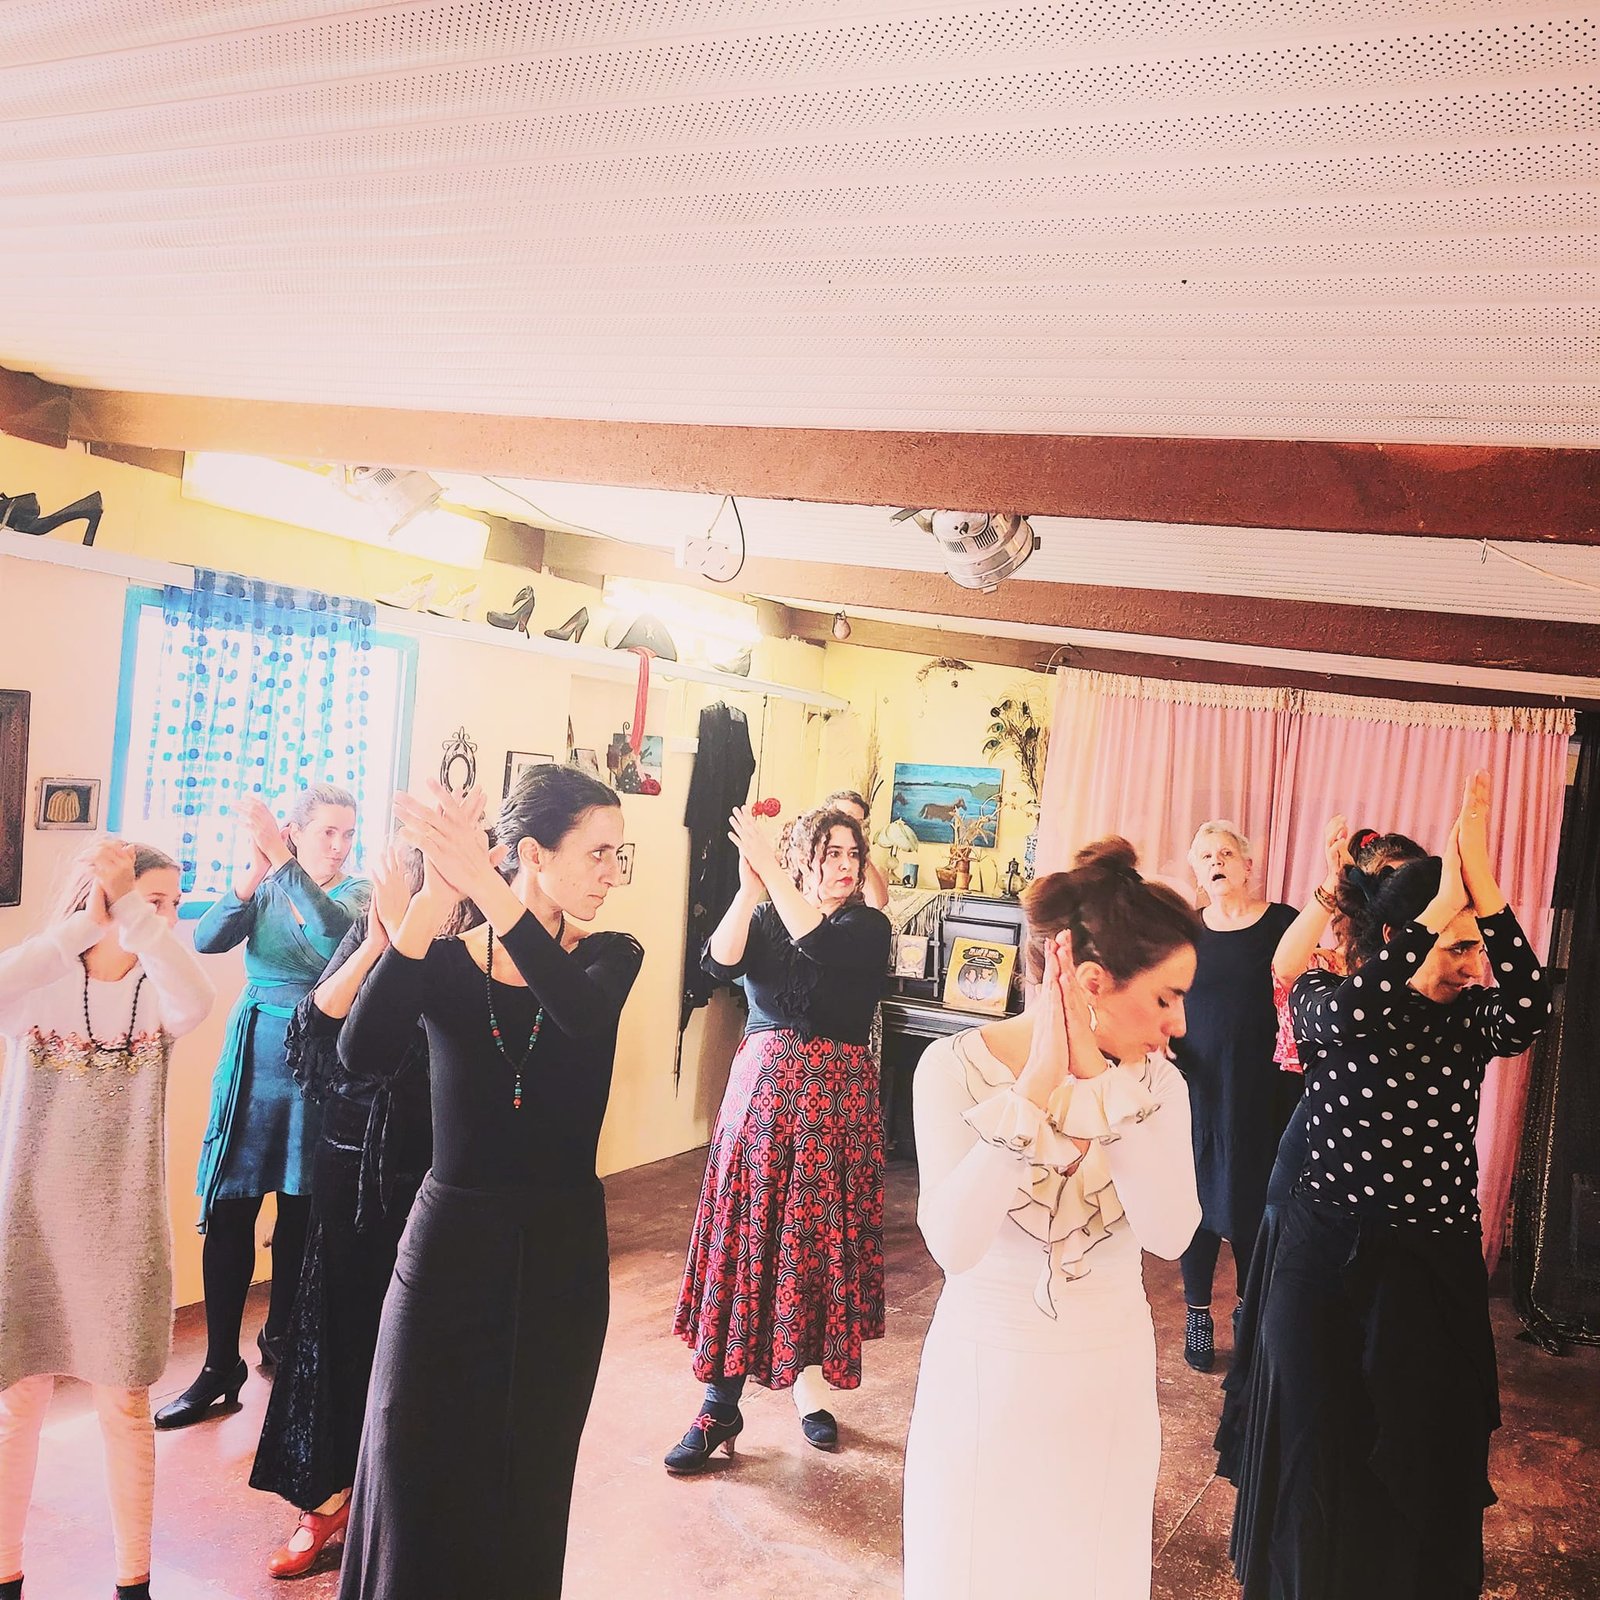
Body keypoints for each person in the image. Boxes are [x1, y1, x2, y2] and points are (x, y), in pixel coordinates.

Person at [1231, 771, 1552, 1599]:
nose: (1473, 965)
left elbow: (1530, 1010)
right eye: (1457, 946)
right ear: (1402, 937)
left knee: (1416, 1444)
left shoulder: (1469, 1018)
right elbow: (1357, 1009)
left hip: (1429, 1263)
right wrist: (1432, 912)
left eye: (1474, 947)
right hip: (1323, 1258)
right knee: (1319, 1440)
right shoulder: (1327, 1001)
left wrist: (1486, 898)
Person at [335, 769, 641, 1600]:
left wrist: (489, 888)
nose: (612, 873)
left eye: (619, 854)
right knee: (410, 1455)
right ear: (533, 854)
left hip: (560, 1254)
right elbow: (359, 1054)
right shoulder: (443, 963)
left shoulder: (609, 956)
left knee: (529, 1472)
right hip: (449, 1245)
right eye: (599, 853)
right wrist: (435, 899)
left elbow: (577, 1014)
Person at [901, 838, 1202, 1599]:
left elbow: (1170, 1235)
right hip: (984, 1374)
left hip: (1106, 1376)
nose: (1179, 1024)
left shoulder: (1157, 1088)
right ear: (1093, 982)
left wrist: (1100, 1088)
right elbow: (954, 1245)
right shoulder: (950, 1069)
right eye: (1166, 998)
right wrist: (1033, 1089)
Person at [0, 840, 214, 1600]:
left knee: (124, 1403)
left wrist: (135, 914)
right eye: (155, 900)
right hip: (31, 1221)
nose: (167, 916)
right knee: (19, 1398)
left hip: (125, 1226)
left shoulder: (161, 992)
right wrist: (86, 923)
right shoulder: (42, 984)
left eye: (172, 903)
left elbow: (198, 998)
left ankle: (133, 1583)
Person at [668, 803, 891, 1470]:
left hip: (832, 1108)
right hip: (760, 1103)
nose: (845, 866)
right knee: (749, 1241)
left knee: (813, 1247)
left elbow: (819, 943)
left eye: (852, 853)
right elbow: (716, 964)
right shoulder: (768, 915)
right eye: (829, 853)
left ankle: (809, 1390)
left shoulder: (866, 927)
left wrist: (772, 869)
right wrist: (748, 890)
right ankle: (719, 1405)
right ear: (802, 860)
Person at [250, 844, 439, 1580]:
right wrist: (375, 944)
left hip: (431, 1169)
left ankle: (397, 1496)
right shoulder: (368, 938)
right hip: (349, 1157)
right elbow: (310, 1035)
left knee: (413, 1339)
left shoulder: (471, 956)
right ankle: (325, 1499)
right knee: (337, 1325)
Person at [1216, 818, 1425, 1485]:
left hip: (1396, 1173)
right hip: (1316, 1154)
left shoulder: (1439, 972)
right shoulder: (1329, 972)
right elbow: (1282, 965)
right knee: (1306, 1331)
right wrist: (1329, 886)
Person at [159, 785, 368, 1429]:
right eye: (327, 831)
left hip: (318, 1058)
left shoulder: (360, 894)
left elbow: (333, 937)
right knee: (230, 1210)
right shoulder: (271, 882)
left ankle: (283, 1340)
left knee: (302, 1211)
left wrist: (281, 861)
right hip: (254, 1058)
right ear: (296, 831)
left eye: (348, 833)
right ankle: (219, 1366)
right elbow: (209, 938)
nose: (340, 845)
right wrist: (253, 873)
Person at [1173, 820, 1298, 1370]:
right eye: (1205, 857)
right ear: (1196, 873)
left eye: (1226, 854)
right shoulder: (1184, 931)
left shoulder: (1283, 923)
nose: (1216, 863)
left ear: (1248, 866)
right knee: (1195, 1202)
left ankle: (1248, 1310)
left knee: (1255, 1201)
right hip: (1197, 1086)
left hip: (1264, 1089)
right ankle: (1197, 1313)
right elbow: (1167, 996)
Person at [823, 789, 891, 909]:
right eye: (846, 819)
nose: (852, 828)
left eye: (858, 823)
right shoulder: (809, 858)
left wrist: (860, 853)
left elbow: (877, 904)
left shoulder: (864, 866)